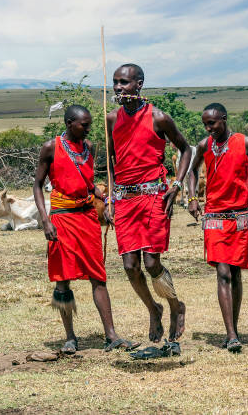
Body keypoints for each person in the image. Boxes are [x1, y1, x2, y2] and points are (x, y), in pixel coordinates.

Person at [33, 105, 139, 353]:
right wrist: (45, 221)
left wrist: (98, 195)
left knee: (98, 276)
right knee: (62, 279)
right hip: (61, 218)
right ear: (70, 123)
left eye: (90, 124)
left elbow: (87, 180)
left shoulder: (89, 147)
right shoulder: (51, 147)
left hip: (87, 216)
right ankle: (70, 337)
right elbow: (37, 185)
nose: (89, 128)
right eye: (84, 124)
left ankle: (111, 335)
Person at [105, 64, 190, 343]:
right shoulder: (111, 118)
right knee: (130, 265)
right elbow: (111, 161)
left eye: (124, 82)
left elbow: (186, 149)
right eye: (115, 82)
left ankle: (175, 305)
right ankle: (153, 309)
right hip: (125, 200)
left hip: (154, 196)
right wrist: (111, 198)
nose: (118, 87)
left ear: (139, 84)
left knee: (152, 262)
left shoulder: (158, 117)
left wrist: (176, 185)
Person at [187, 103, 248, 353]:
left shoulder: (245, 143)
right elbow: (192, 172)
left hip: (239, 217)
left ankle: (232, 327)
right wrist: (192, 198)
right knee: (222, 272)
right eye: (205, 124)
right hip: (214, 217)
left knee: (235, 274)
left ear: (223, 119)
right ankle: (232, 334)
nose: (208, 128)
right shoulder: (204, 146)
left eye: (212, 123)